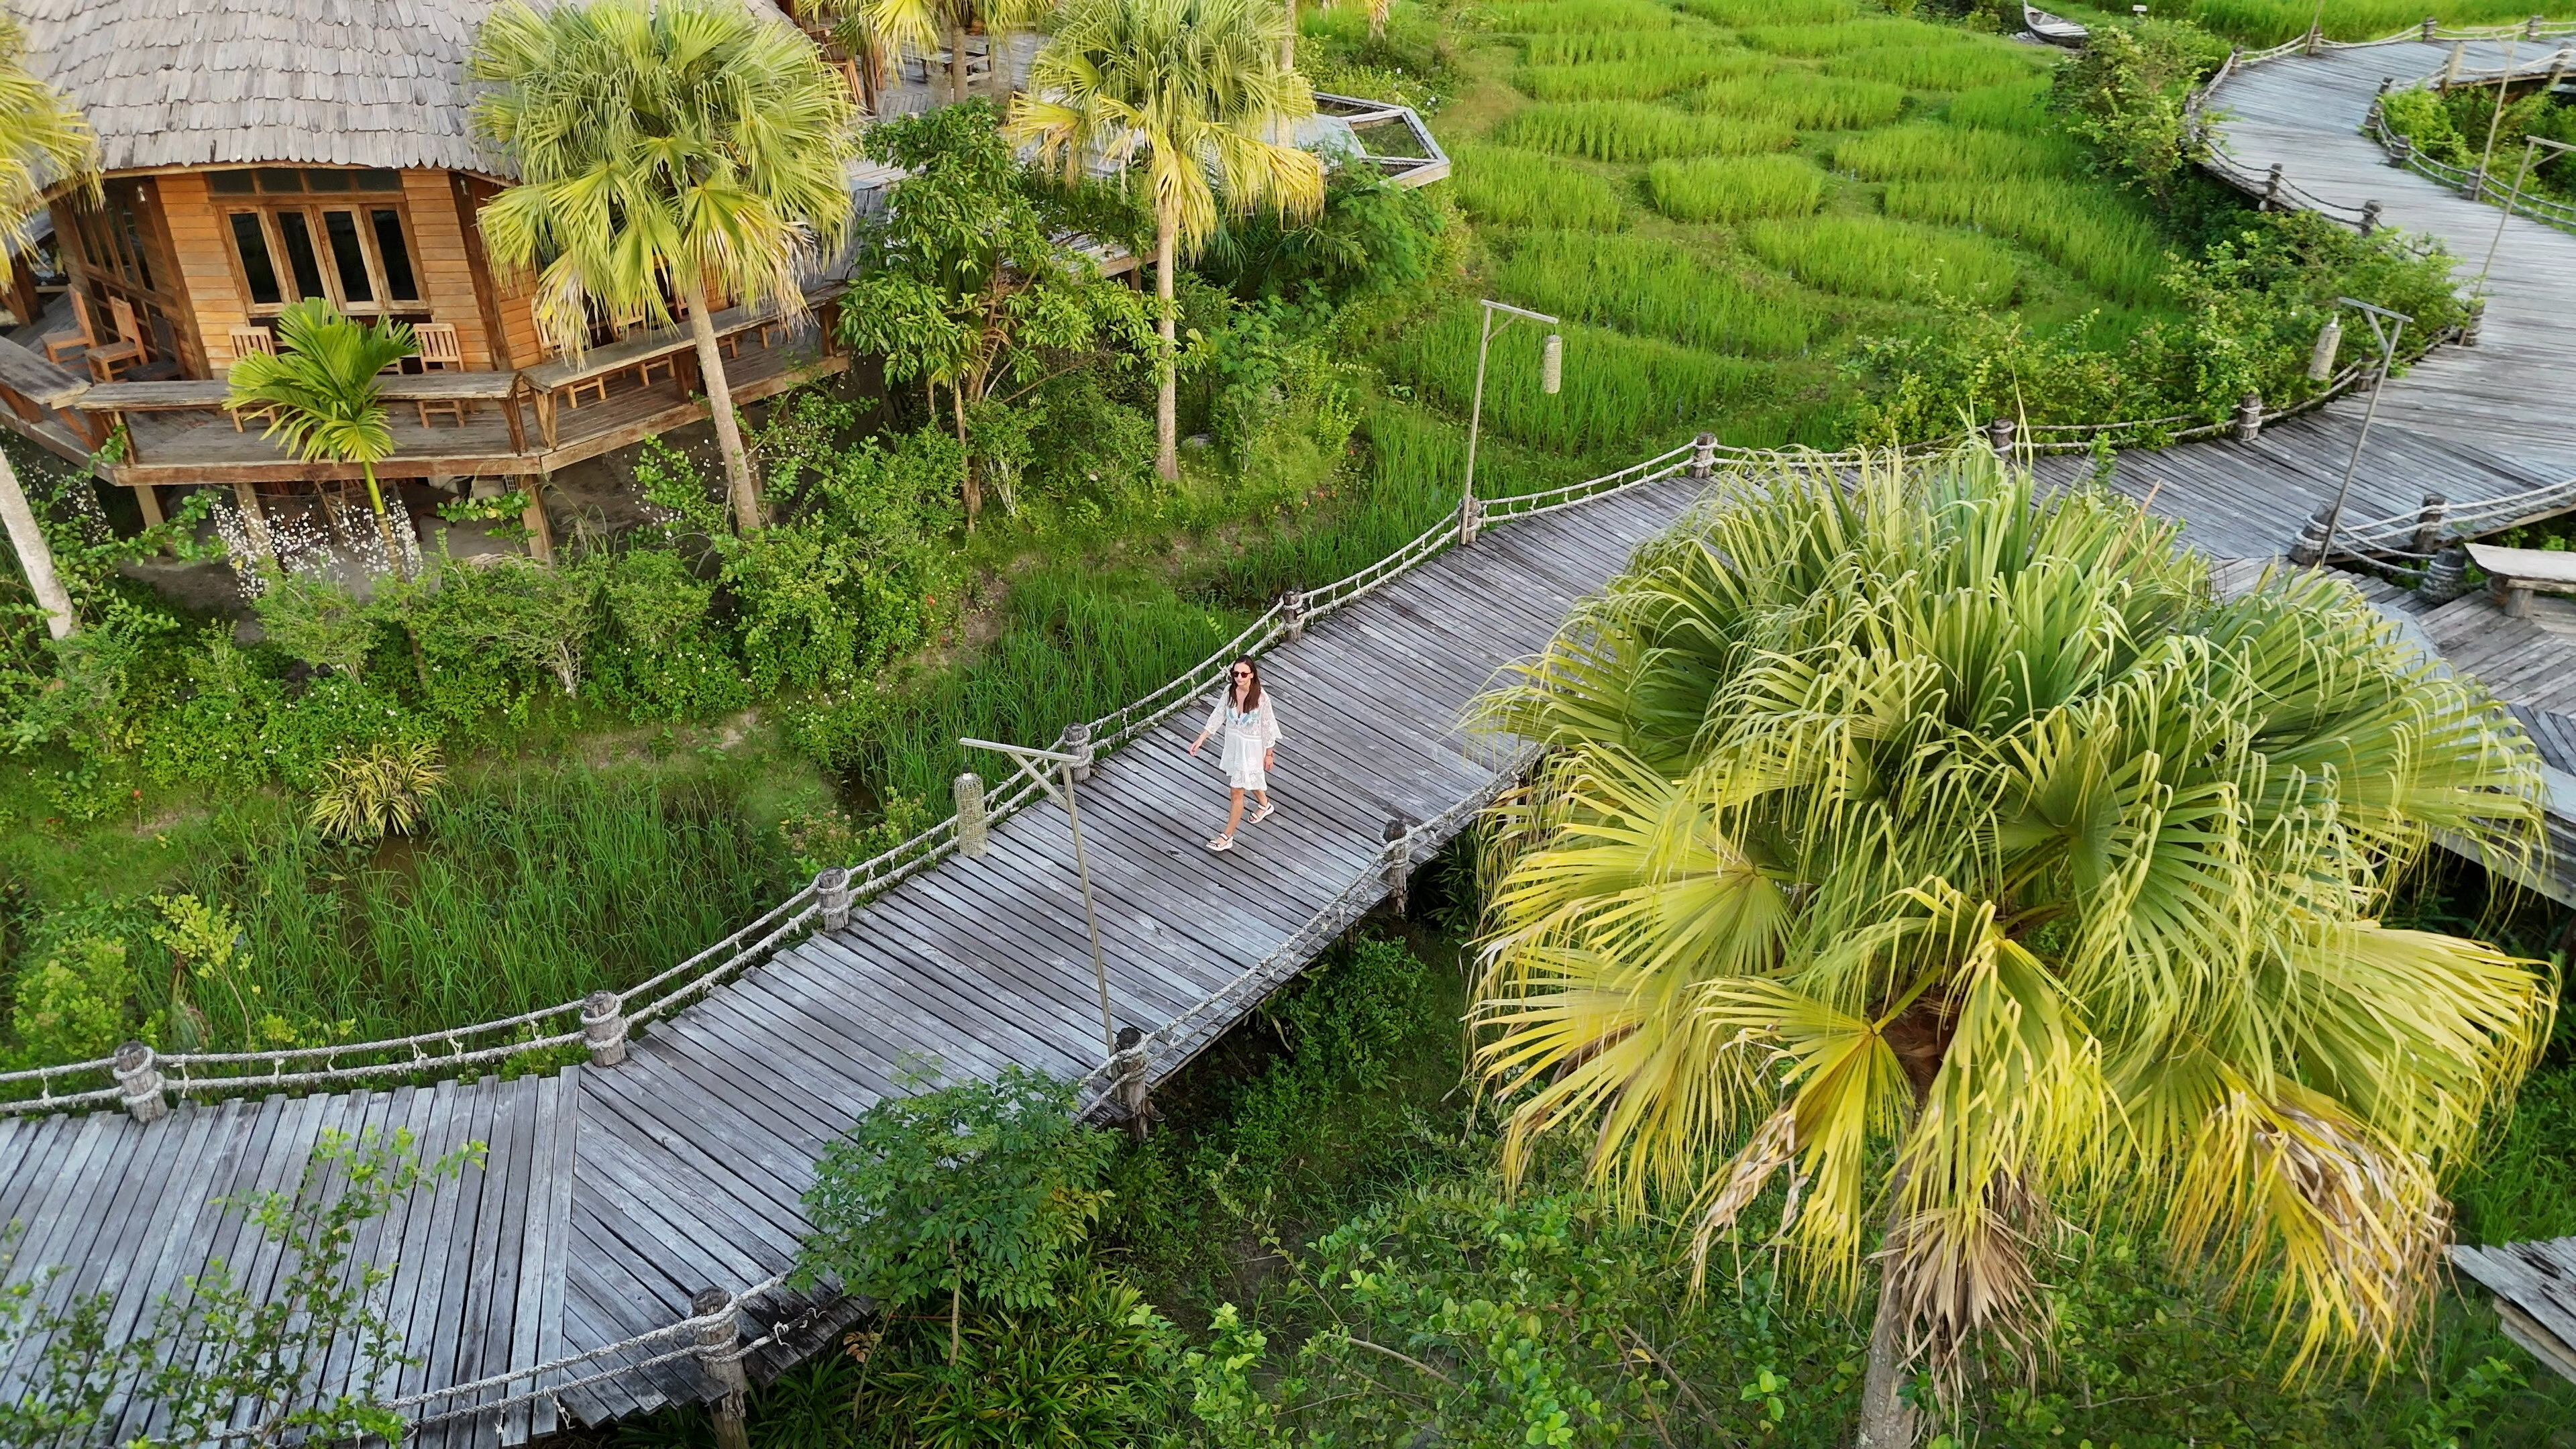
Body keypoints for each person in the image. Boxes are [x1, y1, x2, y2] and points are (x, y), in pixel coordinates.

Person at [1187, 657, 1278, 852]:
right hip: (1235, 746)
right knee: (1248, 779)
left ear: (1252, 675)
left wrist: (1269, 754)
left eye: (1244, 674)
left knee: (1237, 791)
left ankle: (1227, 836)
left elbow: (1268, 727)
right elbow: (1218, 715)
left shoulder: (1261, 698)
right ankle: (1265, 804)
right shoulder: (1230, 693)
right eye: (1235, 674)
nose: (1239, 677)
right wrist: (1201, 738)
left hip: (1253, 749)